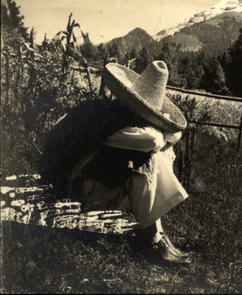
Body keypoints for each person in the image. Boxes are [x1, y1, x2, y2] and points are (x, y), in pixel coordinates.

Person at [42, 60, 191, 265]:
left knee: (153, 155)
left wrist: (165, 137)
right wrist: (163, 134)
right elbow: (155, 140)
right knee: (151, 158)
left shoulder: (115, 113)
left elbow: (173, 135)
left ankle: (153, 235)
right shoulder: (110, 120)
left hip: (90, 179)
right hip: (71, 187)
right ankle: (151, 238)